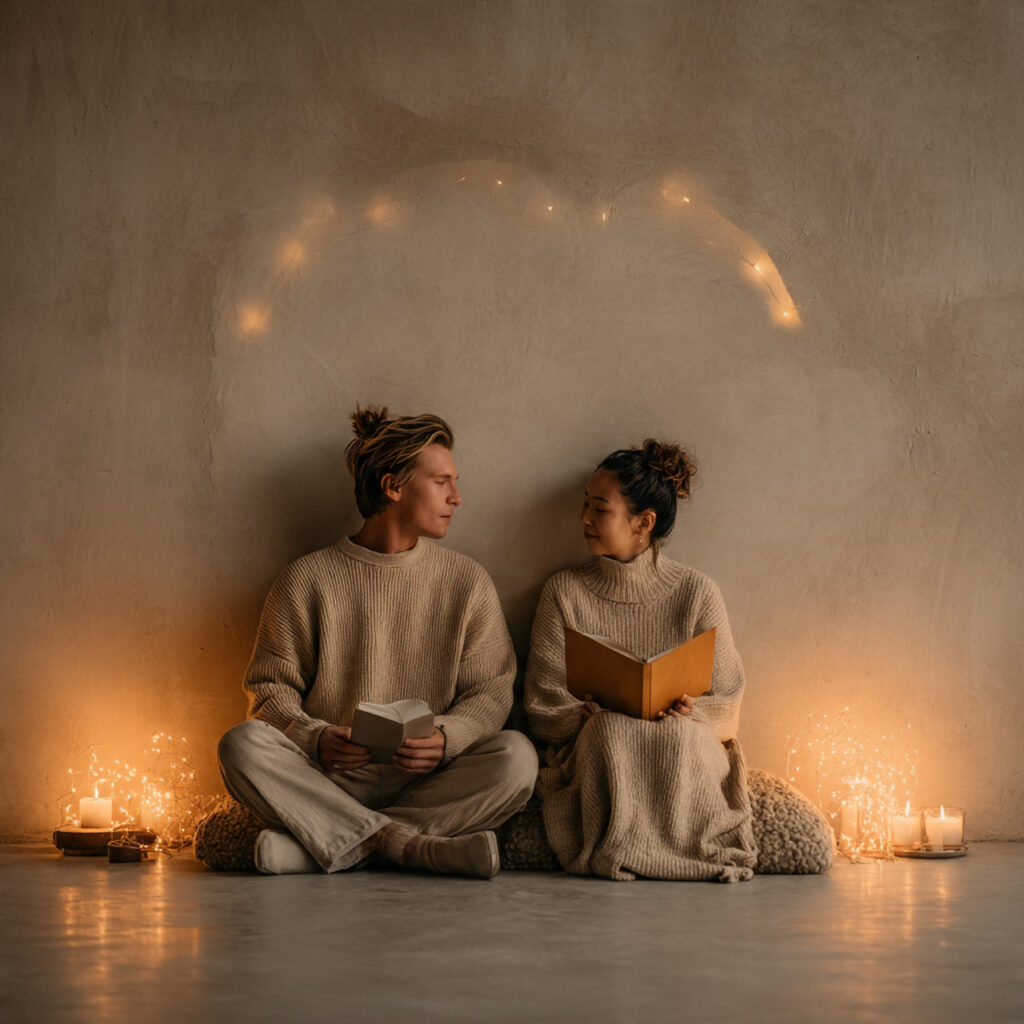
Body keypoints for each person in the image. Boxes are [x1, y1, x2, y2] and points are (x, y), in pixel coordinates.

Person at [218, 406, 537, 877]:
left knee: (517, 759)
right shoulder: (306, 579)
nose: (457, 497)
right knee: (241, 746)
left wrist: (446, 739)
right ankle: (407, 845)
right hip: (330, 779)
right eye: (442, 482)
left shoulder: (467, 582)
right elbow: (269, 692)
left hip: (431, 780)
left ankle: (325, 846)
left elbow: (491, 692)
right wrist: (315, 738)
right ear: (393, 487)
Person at [523, 440, 757, 881]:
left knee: (680, 737)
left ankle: (681, 851)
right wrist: (578, 716)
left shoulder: (696, 592)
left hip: (683, 736)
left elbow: (729, 704)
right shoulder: (564, 592)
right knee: (609, 732)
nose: (584, 518)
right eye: (585, 504)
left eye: (600, 509)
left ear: (643, 523)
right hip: (600, 735)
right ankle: (622, 847)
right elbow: (541, 704)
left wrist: (692, 712)